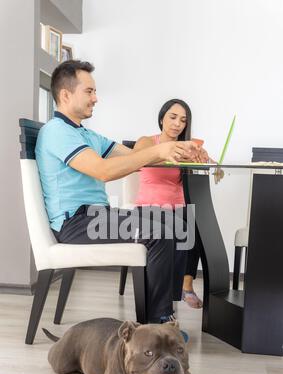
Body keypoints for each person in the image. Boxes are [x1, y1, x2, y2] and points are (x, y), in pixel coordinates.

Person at [35, 60, 207, 331]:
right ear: (66, 94)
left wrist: (180, 154)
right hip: (76, 224)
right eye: (89, 91)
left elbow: (136, 159)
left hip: (95, 217)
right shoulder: (57, 132)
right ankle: (157, 326)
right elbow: (103, 171)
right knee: (159, 232)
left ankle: (162, 313)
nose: (96, 98)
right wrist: (158, 150)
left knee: (175, 225)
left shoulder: (86, 134)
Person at [135, 99, 210, 308]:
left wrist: (208, 162)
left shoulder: (187, 147)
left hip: (178, 207)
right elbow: (137, 160)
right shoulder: (147, 142)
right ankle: (167, 298)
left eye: (183, 120)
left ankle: (184, 287)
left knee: (197, 224)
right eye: (173, 117)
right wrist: (174, 154)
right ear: (162, 118)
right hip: (149, 208)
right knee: (178, 226)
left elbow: (209, 162)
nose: (178, 124)